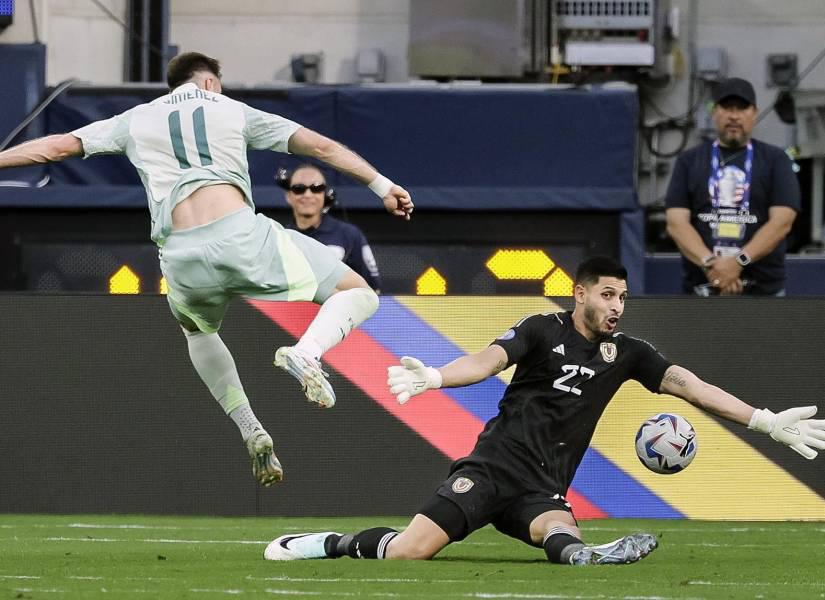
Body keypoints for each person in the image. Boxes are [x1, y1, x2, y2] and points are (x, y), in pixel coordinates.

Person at [0, 52, 414, 487]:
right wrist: (382, 186)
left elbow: (56, 147)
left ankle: (249, 426)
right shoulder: (232, 110)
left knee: (198, 333)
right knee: (356, 291)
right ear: (211, 83)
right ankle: (307, 353)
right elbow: (322, 148)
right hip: (240, 237)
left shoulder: (135, 119)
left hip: (180, 257)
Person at [264, 256, 825, 565]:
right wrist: (436, 376)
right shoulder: (541, 328)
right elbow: (486, 361)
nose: (617, 306)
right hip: (492, 469)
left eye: (623, 297)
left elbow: (692, 387)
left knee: (559, 531)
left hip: (542, 486)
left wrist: (764, 420)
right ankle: (328, 544)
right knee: (409, 553)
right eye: (607, 295)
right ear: (580, 294)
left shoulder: (628, 353)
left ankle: (586, 555)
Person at [665, 77, 800, 296]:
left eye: (742, 108)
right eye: (727, 107)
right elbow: (676, 223)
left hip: (763, 291)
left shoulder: (776, 160)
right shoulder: (689, 160)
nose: (734, 116)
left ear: (754, 113)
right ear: (714, 112)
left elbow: (782, 222)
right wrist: (711, 265)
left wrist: (739, 262)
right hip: (702, 289)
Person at [279, 163, 382, 291]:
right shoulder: (280, 238)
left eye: (316, 188)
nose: (308, 195)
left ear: (326, 194)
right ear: (289, 196)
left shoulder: (350, 234)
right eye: (299, 189)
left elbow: (373, 289)